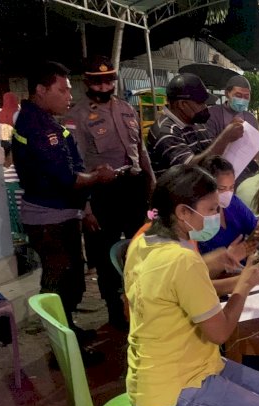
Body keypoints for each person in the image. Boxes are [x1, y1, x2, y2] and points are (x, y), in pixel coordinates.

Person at [124, 165, 259, 406]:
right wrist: (242, 287)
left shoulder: (143, 243)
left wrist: (244, 279)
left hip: (171, 371)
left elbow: (190, 290)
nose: (218, 216)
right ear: (183, 212)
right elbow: (219, 333)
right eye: (211, 209)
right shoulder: (180, 260)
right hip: (173, 391)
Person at [12, 61, 116, 361]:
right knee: (59, 283)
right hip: (49, 221)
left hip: (61, 216)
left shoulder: (44, 120)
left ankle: (69, 330)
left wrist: (85, 204)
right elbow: (67, 178)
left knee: (71, 279)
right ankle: (63, 354)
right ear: (41, 90)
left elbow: (70, 170)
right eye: (61, 90)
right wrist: (98, 176)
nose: (68, 97)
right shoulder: (39, 127)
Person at [64, 56, 156, 331]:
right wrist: (86, 208)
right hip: (102, 193)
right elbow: (76, 165)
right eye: (98, 81)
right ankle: (116, 312)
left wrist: (151, 182)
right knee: (106, 256)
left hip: (134, 187)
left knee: (141, 247)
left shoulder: (127, 108)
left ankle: (144, 303)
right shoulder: (76, 116)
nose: (105, 86)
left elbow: (140, 150)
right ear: (87, 82)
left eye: (109, 80)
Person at [146, 73, 244, 177]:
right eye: (200, 103)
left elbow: (208, 152)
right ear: (182, 104)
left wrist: (227, 135)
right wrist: (224, 138)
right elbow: (190, 171)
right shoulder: (165, 131)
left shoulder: (195, 123)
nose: (205, 107)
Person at [197, 156, 259, 257]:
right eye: (221, 189)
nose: (228, 193)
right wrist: (227, 257)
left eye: (231, 187)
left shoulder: (233, 203)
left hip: (242, 268)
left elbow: (254, 226)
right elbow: (200, 264)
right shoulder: (197, 217)